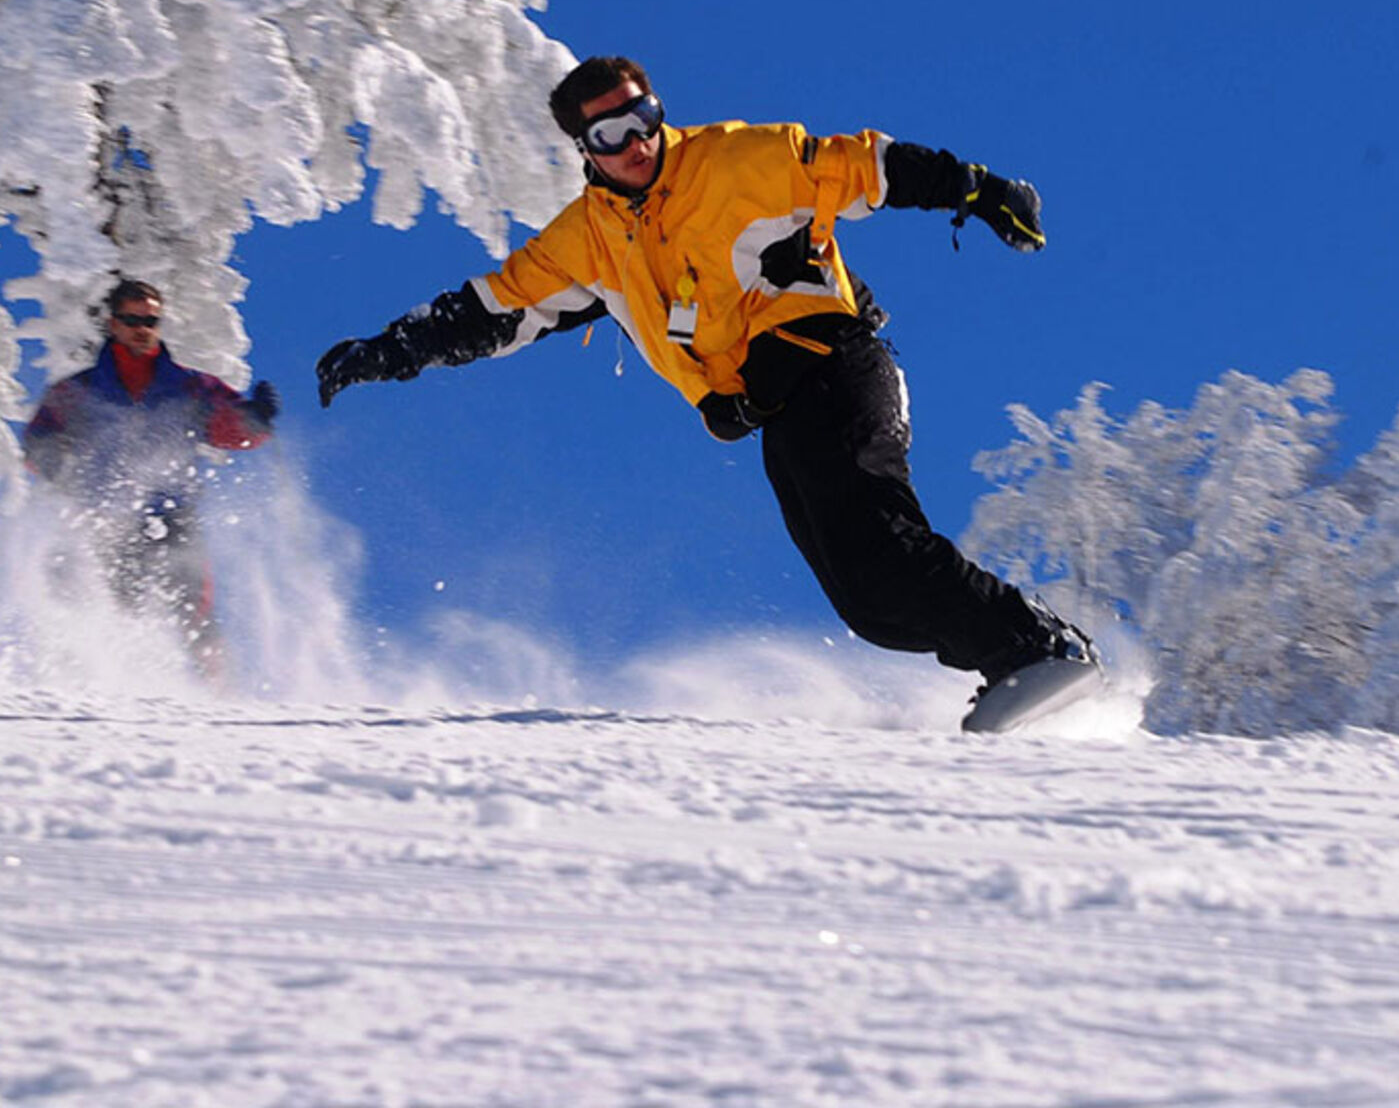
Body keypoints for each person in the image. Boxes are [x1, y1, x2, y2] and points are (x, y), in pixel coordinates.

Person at [315, 56, 1098, 718]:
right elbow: (495, 309)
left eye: (643, 117)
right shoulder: (588, 242)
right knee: (867, 604)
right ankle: (1020, 659)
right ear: (583, 147)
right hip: (774, 409)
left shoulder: (734, 161)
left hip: (835, 364)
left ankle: (1034, 646)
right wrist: (387, 351)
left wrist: (980, 191)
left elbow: (865, 166)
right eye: (610, 135)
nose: (637, 143)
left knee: (879, 545)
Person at [23, 279, 280, 682]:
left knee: (194, 608)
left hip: (171, 515)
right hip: (106, 517)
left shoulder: (188, 387)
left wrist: (257, 419)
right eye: (132, 319)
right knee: (103, 604)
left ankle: (221, 697)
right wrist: (51, 456)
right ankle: (88, 690)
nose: (143, 327)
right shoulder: (79, 390)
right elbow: (39, 441)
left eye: (151, 320)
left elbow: (230, 428)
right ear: (113, 324)